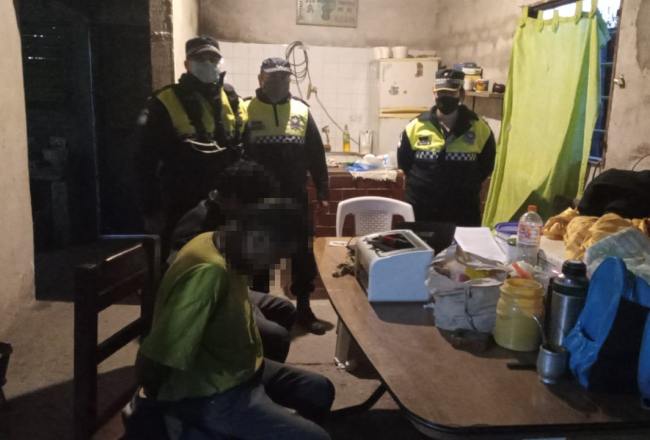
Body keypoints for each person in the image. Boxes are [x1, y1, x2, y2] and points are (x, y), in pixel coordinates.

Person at [129, 161, 335, 440]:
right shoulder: (209, 272)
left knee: (319, 389)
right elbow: (158, 357)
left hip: (241, 370)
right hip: (211, 394)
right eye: (275, 257)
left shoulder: (218, 241)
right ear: (258, 239)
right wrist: (155, 408)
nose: (272, 266)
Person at [167, 164, 296, 363]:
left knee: (285, 309)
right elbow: (189, 289)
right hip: (204, 303)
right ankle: (250, 375)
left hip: (229, 289)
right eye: (254, 205)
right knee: (276, 336)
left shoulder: (227, 214)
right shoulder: (199, 223)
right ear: (234, 199)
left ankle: (254, 365)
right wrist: (245, 307)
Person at [134, 35, 246, 257]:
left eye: (213, 59)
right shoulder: (165, 101)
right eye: (200, 59)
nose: (208, 64)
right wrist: (151, 210)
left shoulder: (233, 100)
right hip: (182, 204)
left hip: (225, 205)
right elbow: (143, 161)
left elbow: (245, 151)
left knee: (226, 263)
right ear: (187, 64)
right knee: (181, 261)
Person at [242, 57, 330, 334]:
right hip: (258, 201)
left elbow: (316, 153)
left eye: (284, 77)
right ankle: (260, 314)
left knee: (302, 257)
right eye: (272, 77)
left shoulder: (302, 110)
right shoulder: (245, 109)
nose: (279, 82)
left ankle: (304, 310)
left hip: (295, 199)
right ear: (260, 79)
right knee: (258, 260)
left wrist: (323, 190)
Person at [397, 68, 496, 226]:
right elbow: (404, 163)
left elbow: (487, 165)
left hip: (463, 212)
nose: (445, 97)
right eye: (441, 93)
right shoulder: (416, 125)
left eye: (451, 93)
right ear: (434, 93)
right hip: (422, 209)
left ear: (461, 94)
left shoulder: (479, 127)